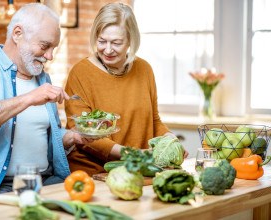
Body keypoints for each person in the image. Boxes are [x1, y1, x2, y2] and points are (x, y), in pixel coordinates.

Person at [0, 3, 91, 202]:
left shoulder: (43, 79)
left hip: (47, 182)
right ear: (17, 34)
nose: (50, 56)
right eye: (45, 46)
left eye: (53, 48)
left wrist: (72, 137)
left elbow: (40, 135)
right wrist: (29, 98)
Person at [64, 2, 188, 176]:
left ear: (131, 40)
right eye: (102, 41)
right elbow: (83, 135)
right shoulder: (80, 73)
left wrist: (171, 142)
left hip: (138, 169)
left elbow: (153, 120)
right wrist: (133, 154)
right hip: (94, 173)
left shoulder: (144, 69)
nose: (107, 50)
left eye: (116, 43)